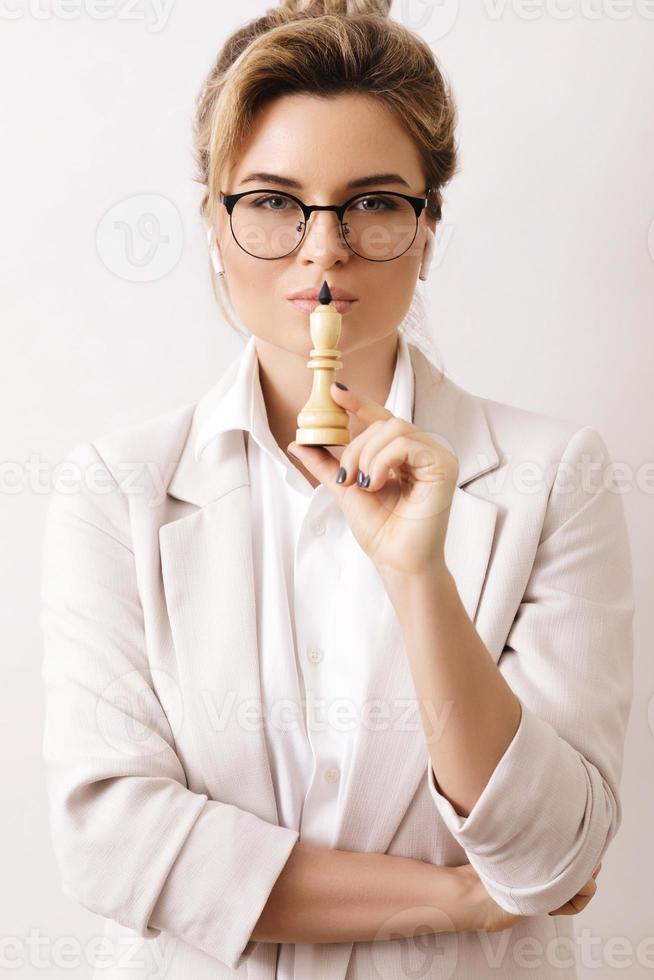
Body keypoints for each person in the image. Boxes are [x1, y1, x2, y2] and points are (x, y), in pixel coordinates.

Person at [39, 1, 634, 978]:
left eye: (374, 201)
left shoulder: (554, 475)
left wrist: (419, 578)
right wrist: (456, 898)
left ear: (428, 228)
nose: (325, 250)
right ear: (214, 225)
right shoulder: (118, 489)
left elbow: (553, 855)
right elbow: (113, 842)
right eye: (273, 201)